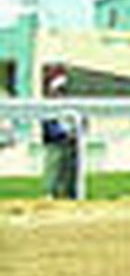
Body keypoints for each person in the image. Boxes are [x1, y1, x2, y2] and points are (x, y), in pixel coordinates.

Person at [39, 68, 81, 200]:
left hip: (71, 143)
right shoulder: (47, 104)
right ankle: (50, 194)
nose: (62, 92)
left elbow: (80, 121)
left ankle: (69, 194)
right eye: (59, 90)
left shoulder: (70, 103)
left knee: (70, 175)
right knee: (54, 171)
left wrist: (75, 132)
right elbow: (48, 125)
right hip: (55, 143)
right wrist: (65, 133)